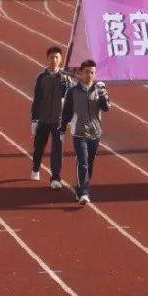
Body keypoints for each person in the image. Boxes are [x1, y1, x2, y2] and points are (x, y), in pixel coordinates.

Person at [59, 60, 111, 204]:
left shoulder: (99, 89)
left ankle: (81, 186)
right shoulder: (73, 91)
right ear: (80, 73)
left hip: (95, 132)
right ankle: (84, 192)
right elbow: (67, 111)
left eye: (92, 72)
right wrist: (62, 127)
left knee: (90, 162)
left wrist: (102, 94)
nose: (89, 75)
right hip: (79, 132)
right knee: (83, 162)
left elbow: (106, 108)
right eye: (87, 72)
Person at [30, 46, 74, 188]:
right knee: (39, 147)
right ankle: (36, 168)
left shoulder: (66, 78)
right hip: (43, 119)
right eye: (51, 57)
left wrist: (65, 84)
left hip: (58, 121)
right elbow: (37, 99)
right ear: (47, 58)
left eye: (57, 57)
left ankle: (56, 178)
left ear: (61, 60)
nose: (54, 60)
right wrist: (34, 119)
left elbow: (68, 99)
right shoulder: (42, 78)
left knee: (57, 150)